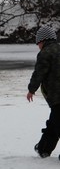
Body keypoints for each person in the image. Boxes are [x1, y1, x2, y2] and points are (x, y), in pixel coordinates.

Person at [27, 26, 60, 158]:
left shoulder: (46, 53)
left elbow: (39, 73)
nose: (38, 46)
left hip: (57, 95)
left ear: (43, 40)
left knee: (57, 122)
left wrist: (31, 89)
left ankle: (43, 148)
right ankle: (43, 149)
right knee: (54, 123)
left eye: (38, 43)